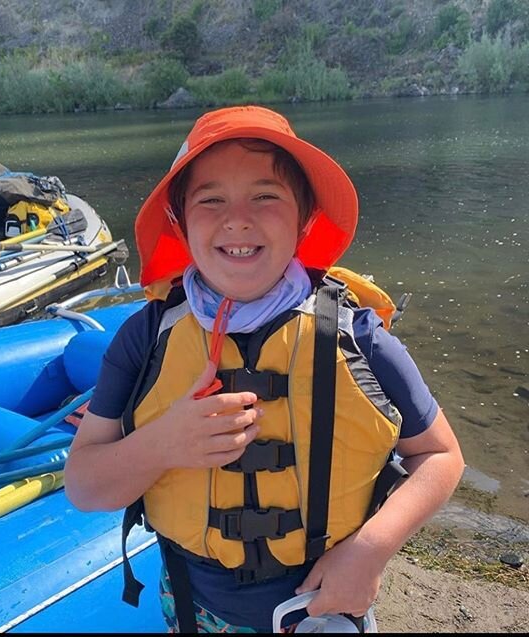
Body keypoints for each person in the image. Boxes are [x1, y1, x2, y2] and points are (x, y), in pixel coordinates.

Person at [64, 105, 464, 633]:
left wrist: (370, 550)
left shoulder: (358, 336)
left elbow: (440, 455)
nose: (237, 219)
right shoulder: (145, 339)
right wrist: (163, 443)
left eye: (265, 196)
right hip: (193, 606)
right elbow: (85, 486)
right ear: (180, 224)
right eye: (210, 200)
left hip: (324, 607)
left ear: (304, 219)